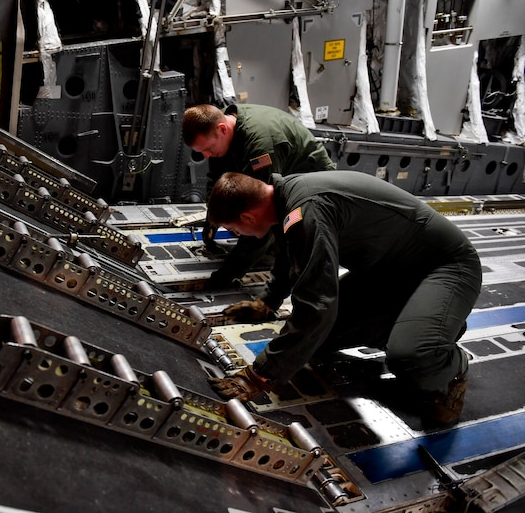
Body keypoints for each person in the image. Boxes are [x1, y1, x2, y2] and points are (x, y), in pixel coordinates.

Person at [205, 171, 482, 426]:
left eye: (234, 230)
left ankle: (443, 358)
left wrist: (259, 375)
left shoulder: (306, 209)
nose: (237, 235)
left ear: (248, 218)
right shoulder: (283, 198)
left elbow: (317, 306)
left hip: (446, 267)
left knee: (411, 354)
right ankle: (425, 325)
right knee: (317, 340)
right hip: (392, 272)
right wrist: (267, 301)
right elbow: (293, 257)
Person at [181, 104, 335, 287]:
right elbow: (217, 181)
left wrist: (225, 276)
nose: (206, 156)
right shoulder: (220, 127)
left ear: (222, 129)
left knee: (287, 242)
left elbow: (260, 214)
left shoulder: (261, 149)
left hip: (313, 186)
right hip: (283, 175)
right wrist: (214, 219)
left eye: (208, 149)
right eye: (202, 152)